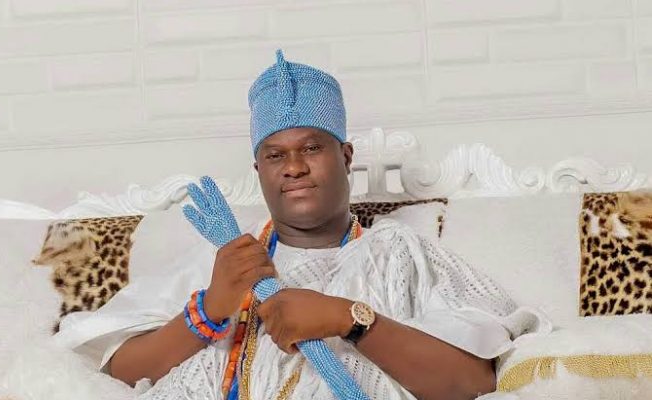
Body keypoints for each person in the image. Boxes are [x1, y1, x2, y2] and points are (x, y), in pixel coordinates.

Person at [55, 50, 549, 400]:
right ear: (259, 170)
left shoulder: (400, 253)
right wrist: (210, 309)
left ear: (346, 156)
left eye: (311, 147)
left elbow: (474, 384)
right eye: (275, 155)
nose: (293, 167)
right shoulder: (223, 259)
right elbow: (115, 373)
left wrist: (349, 320)